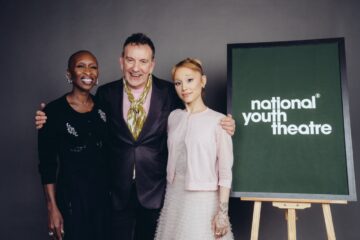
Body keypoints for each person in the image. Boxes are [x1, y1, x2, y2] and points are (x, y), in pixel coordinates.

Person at [35, 33, 235, 240]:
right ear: (121, 62)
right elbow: (83, 119)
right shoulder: (105, 94)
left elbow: (192, 120)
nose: (136, 68)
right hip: (114, 193)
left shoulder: (169, 92)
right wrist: (47, 117)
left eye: (143, 61)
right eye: (130, 60)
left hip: (156, 192)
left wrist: (226, 125)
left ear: (152, 65)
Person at [154, 58, 234, 240]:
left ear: (203, 81)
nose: (184, 88)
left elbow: (225, 172)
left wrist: (222, 212)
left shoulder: (219, 121)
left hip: (202, 200)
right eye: (178, 83)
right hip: (174, 194)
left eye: (190, 80)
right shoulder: (173, 117)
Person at [38, 50, 109, 240]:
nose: (88, 71)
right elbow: (47, 165)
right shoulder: (52, 112)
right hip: (71, 200)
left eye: (93, 67)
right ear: (69, 74)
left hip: (104, 200)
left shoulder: (104, 107)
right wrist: (52, 208)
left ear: (97, 75)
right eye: (81, 66)